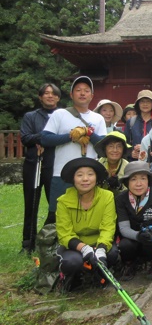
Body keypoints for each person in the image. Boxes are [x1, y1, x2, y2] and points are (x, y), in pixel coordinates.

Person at [41, 76, 107, 220]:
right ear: (71, 95)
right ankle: (52, 242)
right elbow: (45, 138)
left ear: (92, 96)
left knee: (87, 214)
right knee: (57, 214)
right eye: (78, 90)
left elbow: (103, 147)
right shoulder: (59, 114)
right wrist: (71, 136)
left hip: (88, 175)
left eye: (86, 91)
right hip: (62, 173)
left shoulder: (98, 118)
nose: (82, 93)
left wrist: (89, 133)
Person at [56, 158, 118, 292]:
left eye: (90, 174)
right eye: (80, 175)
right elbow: (65, 234)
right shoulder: (63, 201)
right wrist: (84, 248)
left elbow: (108, 227)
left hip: (98, 241)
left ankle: (98, 274)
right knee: (72, 262)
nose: (85, 179)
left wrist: (101, 248)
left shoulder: (107, 197)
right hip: (75, 246)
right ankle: (74, 276)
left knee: (112, 254)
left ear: (96, 178)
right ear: (73, 179)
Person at [20, 83, 61, 251]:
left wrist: (42, 139)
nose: (49, 96)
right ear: (40, 97)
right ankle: (27, 243)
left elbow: (64, 136)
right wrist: (43, 138)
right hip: (34, 164)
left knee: (56, 205)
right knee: (31, 204)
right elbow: (26, 138)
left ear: (58, 97)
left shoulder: (62, 116)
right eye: (46, 93)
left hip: (54, 165)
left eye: (53, 93)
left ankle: (47, 238)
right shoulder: (31, 116)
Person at [115, 161, 152, 280]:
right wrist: (138, 236)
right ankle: (130, 264)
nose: (139, 184)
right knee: (125, 245)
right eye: (133, 179)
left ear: (149, 181)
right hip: (133, 238)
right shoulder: (121, 199)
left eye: (143, 178)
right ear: (127, 182)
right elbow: (124, 228)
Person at [124, 90, 152, 161]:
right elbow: (125, 143)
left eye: (148, 101)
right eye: (142, 101)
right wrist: (131, 153)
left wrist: (145, 148)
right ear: (138, 104)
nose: (145, 104)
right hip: (135, 162)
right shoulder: (131, 122)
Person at [95, 131, 131, 197]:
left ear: (123, 150)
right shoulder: (98, 165)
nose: (115, 150)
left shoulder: (128, 167)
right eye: (110, 146)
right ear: (105, 149)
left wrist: (118, 186)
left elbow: (130, 193)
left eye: (119, 146)